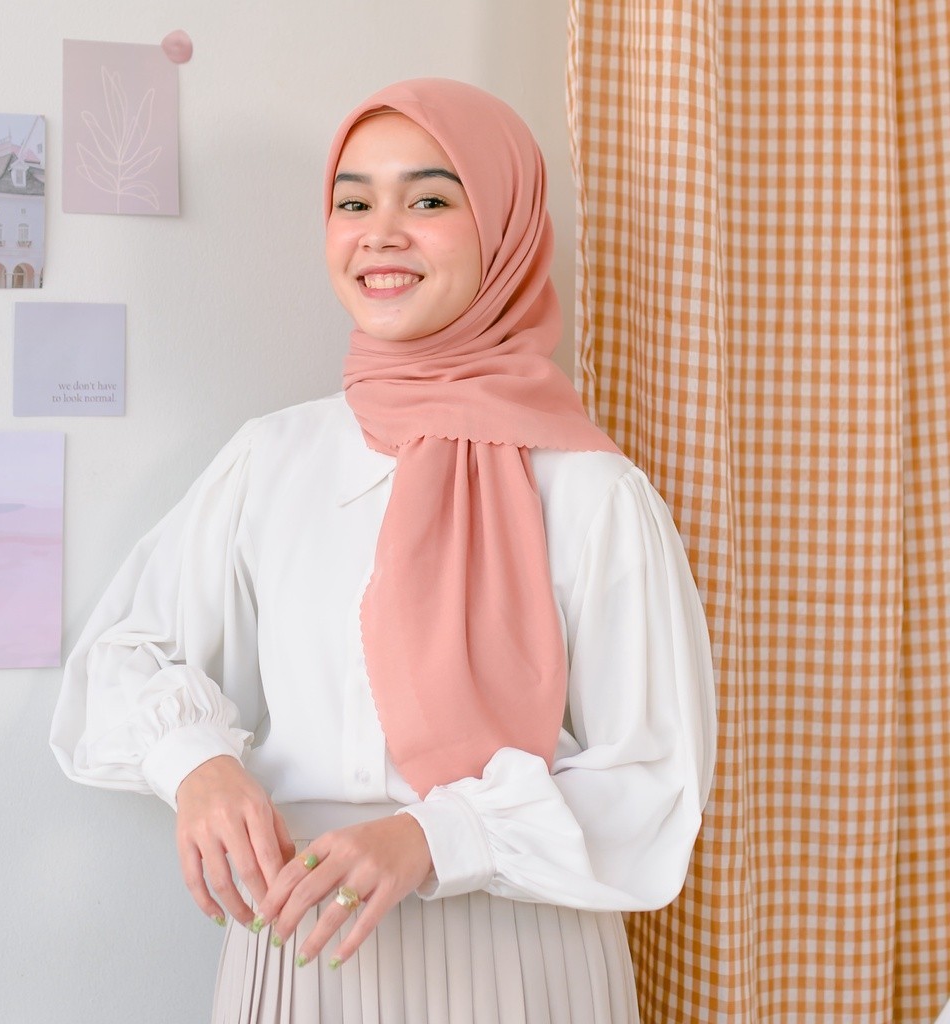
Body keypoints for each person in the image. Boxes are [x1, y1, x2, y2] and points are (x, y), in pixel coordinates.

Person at [51, 77, 716, 1023]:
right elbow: (118, 657)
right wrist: (196, 763)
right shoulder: (271, 460)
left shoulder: (590, 491)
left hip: (518, 960)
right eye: (354, 203)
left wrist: (433, 838)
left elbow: (654, 780)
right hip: (304, 951)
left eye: (431, 201)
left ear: (506, 229)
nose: (381, 234)